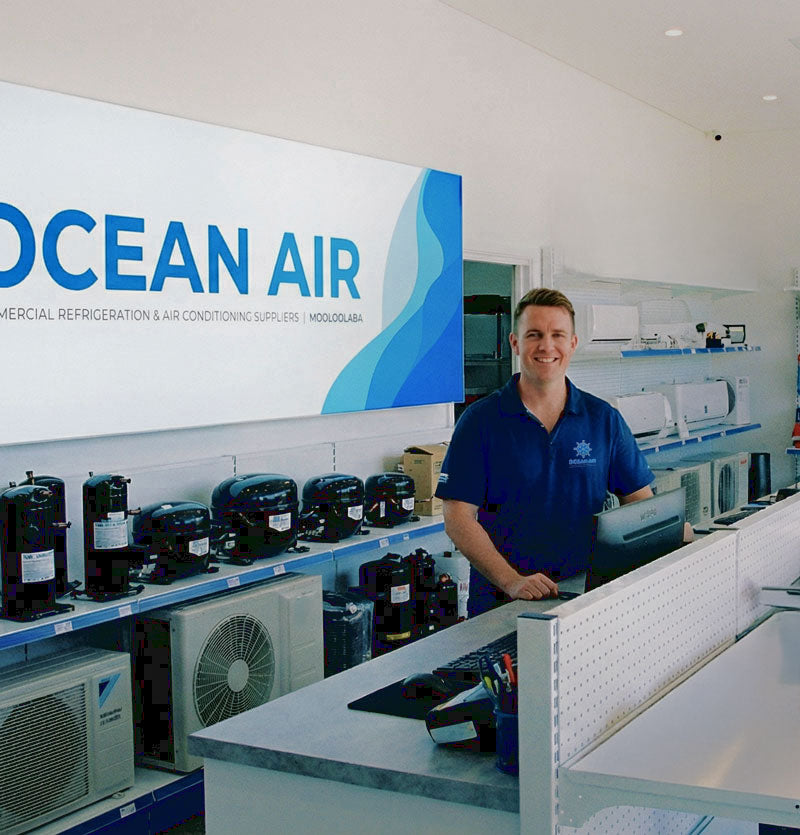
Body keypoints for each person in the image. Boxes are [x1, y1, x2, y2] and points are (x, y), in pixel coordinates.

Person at [435, 287, 654, 617]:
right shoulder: (480, 421)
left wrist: (672, 537)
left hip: (585, 598)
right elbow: (457, 518)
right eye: (534, 334)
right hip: (502, 605)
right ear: (515, 343)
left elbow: (641, 504)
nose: (546, 346)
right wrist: (512, 581)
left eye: (557, 335)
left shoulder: (603, 419)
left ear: (573, 344)